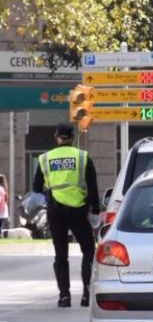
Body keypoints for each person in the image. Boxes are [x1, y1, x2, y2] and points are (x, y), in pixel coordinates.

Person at [32, 123, 99, 308]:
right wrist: (95, 211)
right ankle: (86, 294)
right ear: (72, 136)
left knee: (61, 255)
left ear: (56, 137)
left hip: (55, 211)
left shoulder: (45, 158)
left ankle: (64, 296)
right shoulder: (82, 157)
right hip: (78, 210)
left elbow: (36, 187)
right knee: (89, 251)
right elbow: (93, 187)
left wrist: (50, 190)